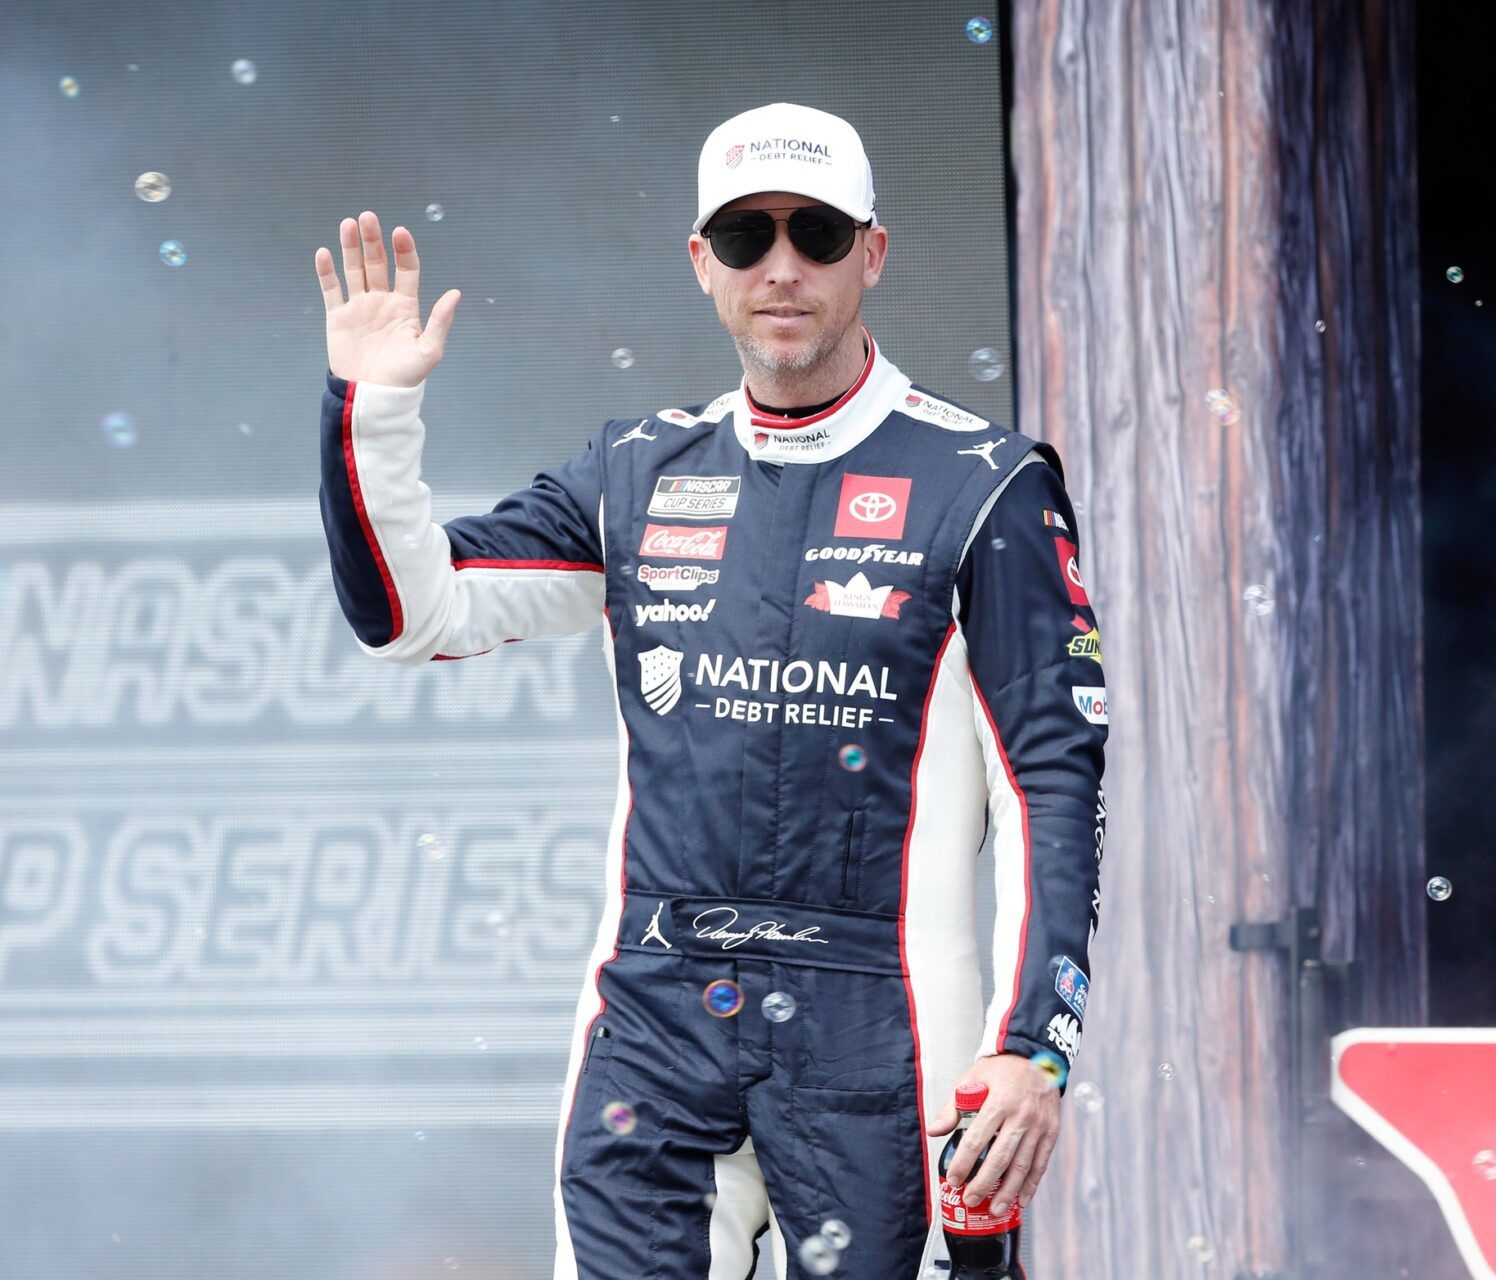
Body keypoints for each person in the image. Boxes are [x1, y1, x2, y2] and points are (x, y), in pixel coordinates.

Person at [313, 101, 1108, 1280]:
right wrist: (374, 412)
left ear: (872, 254)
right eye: (745, 236)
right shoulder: (635, 472)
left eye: (817, 233)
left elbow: (1055, 776)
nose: (780, 266)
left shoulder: (983, 484)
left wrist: (1034, 1045)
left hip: (886, 1025)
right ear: (703, 263)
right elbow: (410, 613)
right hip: (656, 1016)